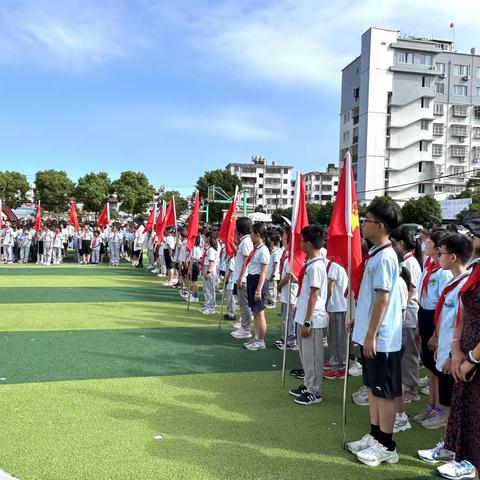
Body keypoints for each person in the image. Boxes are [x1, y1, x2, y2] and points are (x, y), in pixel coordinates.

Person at [346, 200, 402, 467]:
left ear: (379, 226)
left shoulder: (386, 257)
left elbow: (383, 300)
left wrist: (371, 335)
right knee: (372, 388)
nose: (363, 225)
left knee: (384, 392)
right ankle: (375, 435)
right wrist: (360, 324)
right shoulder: (377, 254)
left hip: (383, 339)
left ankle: (388, 445)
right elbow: (371, 299)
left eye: (366, 220)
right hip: (371, 333)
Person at [418, 233, 473, 466]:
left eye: (441, 252)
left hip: (455, 356)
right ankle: (449, 446)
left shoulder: (466, 285)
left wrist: (453, 354)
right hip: (445, 352)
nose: (437, 256)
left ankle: (452, 449)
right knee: (450, 401)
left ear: (452, 257)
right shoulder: (454, 281)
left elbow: (464, 323)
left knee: (453, 403)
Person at [437, 215, 480, 480]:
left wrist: (471, 359)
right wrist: (456, 349)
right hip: (467, 358)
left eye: (475, 233)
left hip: (474, 361)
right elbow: (464, 310)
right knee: (473, 435)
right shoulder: (476, 269)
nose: (472, 238)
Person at [415, 230, 452, 429]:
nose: (424, 243)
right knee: (429, 365)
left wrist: (437, 333)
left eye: (428, 241)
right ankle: (431, 404)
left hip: (436, 319)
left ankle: (440, 408)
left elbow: (443, 304)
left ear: (438, 247)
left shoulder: (444, 272)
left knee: (437, 365)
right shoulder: (428, 266)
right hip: (424, 315)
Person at [288, 225, 328, 405]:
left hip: (312, 319)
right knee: (305, 355)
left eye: (303, 241)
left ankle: (315, 390)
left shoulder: (317, 266)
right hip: (304, 315)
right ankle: (308, 383)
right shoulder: (310, 263)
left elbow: (314, 295)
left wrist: (307, 321)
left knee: (313, 356)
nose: (300, 244)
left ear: (310, 244)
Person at [390, 225, 422, 404]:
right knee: (405, 352)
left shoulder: (409, 262)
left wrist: (400, 309)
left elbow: (411, 290)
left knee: (410, 352)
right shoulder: (408, 260)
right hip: (405, 314)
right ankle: (405, 385)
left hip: (408, 315)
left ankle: (410, 388)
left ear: (400, 243)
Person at [242, 222, 270, 351]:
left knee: (259, 313)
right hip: (252, 278)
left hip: (258, 280)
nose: (251, 236)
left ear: (257, 234)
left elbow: (263, 271)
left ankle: (260, 340)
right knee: (255, 312)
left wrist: (258, 289)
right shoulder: (257, 249)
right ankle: (256, 337)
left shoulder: (264, 250)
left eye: (252, 233)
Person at [323, 257, 348, 380]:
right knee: (333, 337)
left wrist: (323, 301)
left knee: (338, 337)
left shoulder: (334, 265)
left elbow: (329, 288)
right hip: (336, 306)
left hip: (338, 306)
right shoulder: (336, 265)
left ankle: (340, 366)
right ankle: (335, 360)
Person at [231, 218, 254, 339]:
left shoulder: (246, 242)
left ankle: (246, 328)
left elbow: (246, 260)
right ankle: (244, 326)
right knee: (242, 304)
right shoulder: (244, 241)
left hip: (243, 278)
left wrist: (240, 278)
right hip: (241, 277)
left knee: (244, 305)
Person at [201, 230, 219, 315]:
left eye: (205, 237)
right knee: (206, 289)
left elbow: (211, 262)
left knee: (210, 289)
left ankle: (211, 307)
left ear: (209, 238)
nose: (203, 238)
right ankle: (207, 304)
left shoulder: (211, 249)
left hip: (209, 269)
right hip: (205, 267)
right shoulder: (208, 248)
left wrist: (208, 272)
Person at [265, 232, 281, 309]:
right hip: (269, 274)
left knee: (272, 290)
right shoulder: (272, 252)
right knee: (269, 290)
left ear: (273, 242)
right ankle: (269, 302)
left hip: (273, 275)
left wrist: (273, 274)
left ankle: (272, 303)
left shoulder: (276, 252)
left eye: (270, 241)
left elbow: (276, 263)